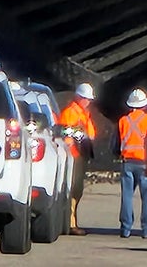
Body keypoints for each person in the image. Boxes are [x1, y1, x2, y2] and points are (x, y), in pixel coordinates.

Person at [58, 82, 98, 236]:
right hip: (74, 155)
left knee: (78, 190)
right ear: (79, 97)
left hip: (81, 155)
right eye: (86, 99)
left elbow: (90, 133)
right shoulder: (70, 113)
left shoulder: (82, 113)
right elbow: (67, 136)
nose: (88, 102)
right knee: (73, 189)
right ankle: (70, 223)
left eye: (89, 99)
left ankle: (72, 221)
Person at [116, 88, 147, 239]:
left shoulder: (123, 121)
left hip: (127, 162)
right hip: (144, 162)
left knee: (126, 196)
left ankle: (125, 229)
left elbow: (117, 142)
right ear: (144, 105)